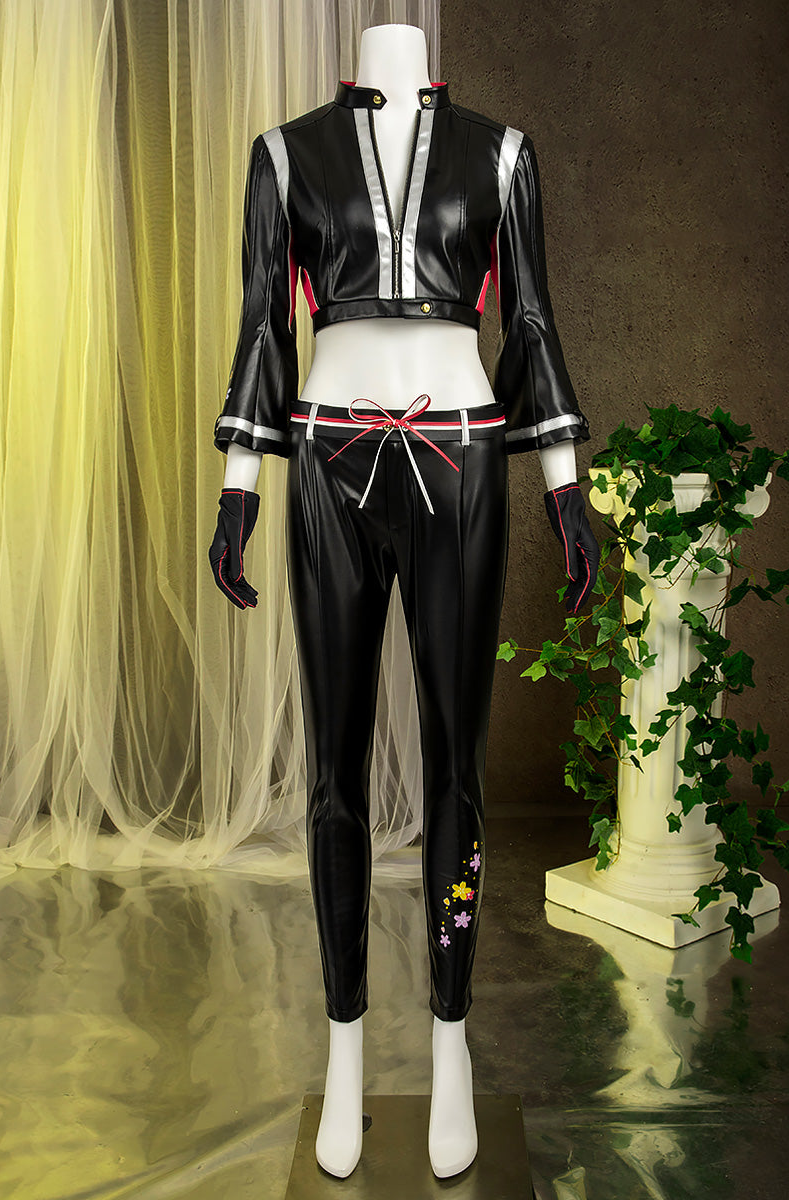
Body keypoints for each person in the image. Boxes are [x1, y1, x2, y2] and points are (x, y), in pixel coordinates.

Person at [207, 23, 600, 1180]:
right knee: (333, 775)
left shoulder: (503, 154)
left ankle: (451, 1039)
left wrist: (564, 486)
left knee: (455, 771)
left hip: (461, 459)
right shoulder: (286, 154)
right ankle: (341, 1048)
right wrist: (239, 486)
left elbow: (531, 318)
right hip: (327, 462)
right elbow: (263, 323)